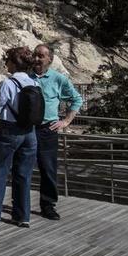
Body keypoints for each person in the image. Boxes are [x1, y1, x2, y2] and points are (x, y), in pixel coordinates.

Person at [0, 47, 39, 228]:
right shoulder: (34, 83)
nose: (6, 63)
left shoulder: (8, 84)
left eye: (8, 60)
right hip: (30, 132)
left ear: (13, 63)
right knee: (23, 174)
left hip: (9, 130)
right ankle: (22, 216)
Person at [31, 43, 83, 221]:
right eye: (35, 55)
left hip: (47, 130)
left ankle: (48, 205)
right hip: (27, 129)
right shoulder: (25, 76)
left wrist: (66, 121)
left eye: (41, 56)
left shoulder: (58, 79)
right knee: (21, 167)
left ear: (50, 59)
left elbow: (77, 99)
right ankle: (19, 204)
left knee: (48, 168)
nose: (37, 59)